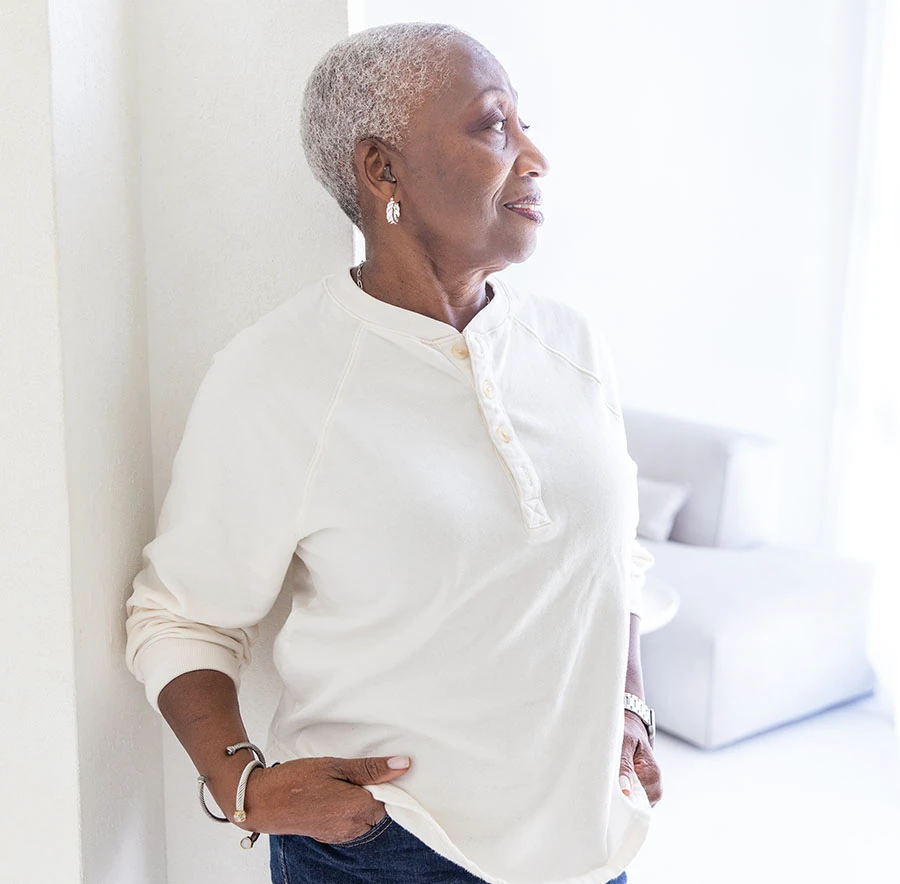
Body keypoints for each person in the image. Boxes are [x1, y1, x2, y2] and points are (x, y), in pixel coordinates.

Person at [125, 21, 662, 884]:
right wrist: (243, 788)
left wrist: (628, 700)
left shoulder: (573, 345)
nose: (534, 155)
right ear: (383, 170)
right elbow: (178, 616)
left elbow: (613, 561)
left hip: (587, 845)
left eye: (524, 123)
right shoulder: (279, 376)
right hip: (390, 850)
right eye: (494, 125)